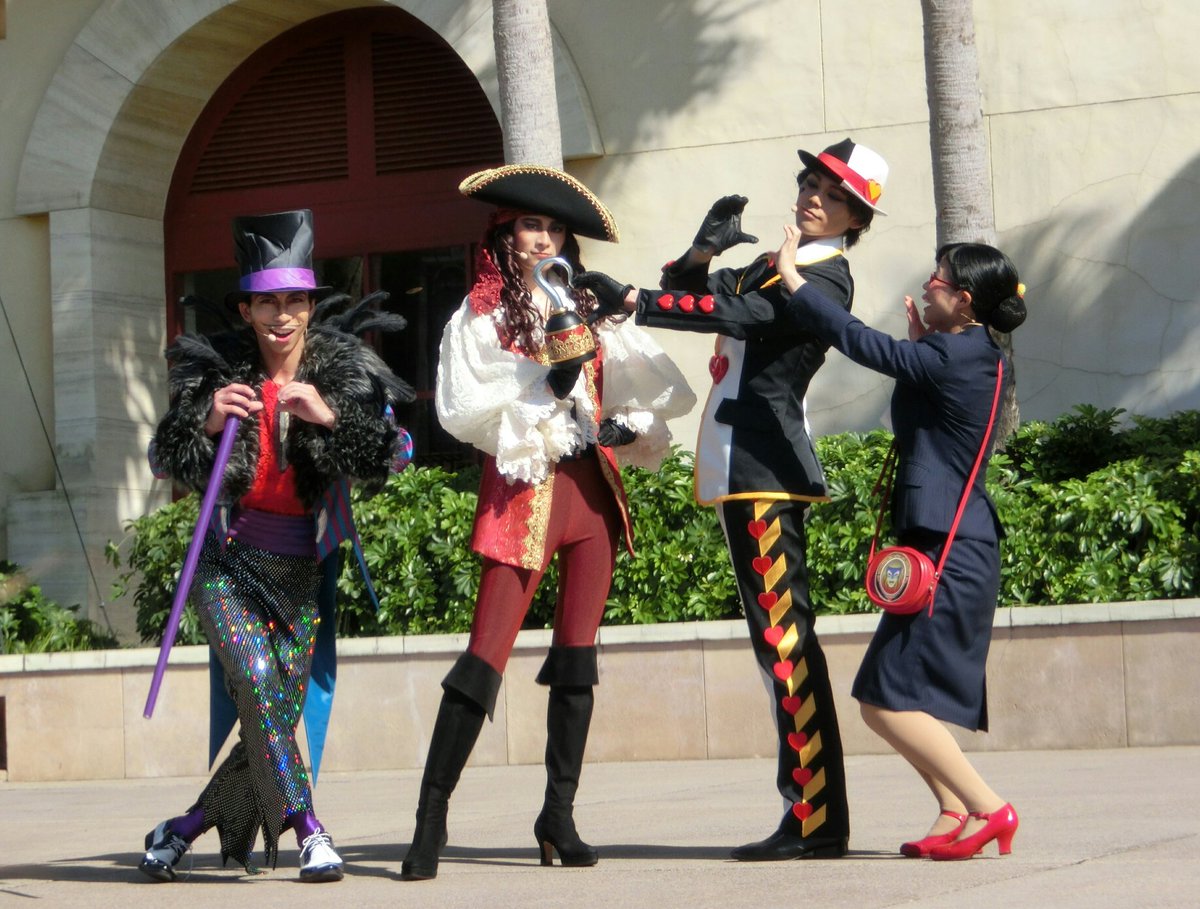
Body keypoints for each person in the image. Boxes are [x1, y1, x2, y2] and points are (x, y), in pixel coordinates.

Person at [575, 139, 888, 861]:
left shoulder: (824, 279)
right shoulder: (778, 264)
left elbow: (739, 315)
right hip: (742, 469)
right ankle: (812, 816)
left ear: (856, 219)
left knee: (785, 644)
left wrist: (635, 299)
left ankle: (815, 819)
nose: (813, 197)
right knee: (776, 644)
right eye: (810, 183)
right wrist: (699, 253)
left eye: (832, 195)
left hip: (766, 473)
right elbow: (705, 295)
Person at [400, 164, 695, 881]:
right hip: (524, 492)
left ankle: (557, 816)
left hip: (591, 495)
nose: (542, 238)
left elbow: (639, 387)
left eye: (555, 228)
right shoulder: (482, 316)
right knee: (484, 656)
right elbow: (465, 408)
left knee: (577, 659)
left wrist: (623, 423)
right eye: (531, 224)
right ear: (504, 233)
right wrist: (547, 382)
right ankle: (430, 817)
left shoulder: (589, 306)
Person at [138, 209, 414, 883]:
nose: (281, 316)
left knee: (272, 717)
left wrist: (331, 416)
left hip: (300, 574)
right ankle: (310, 829)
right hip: (226, 566)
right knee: (260, 682)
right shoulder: (216, 375)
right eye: (267, 302)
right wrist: (206, 422)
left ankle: (180, 830)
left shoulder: (342, 374)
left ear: (311, 307)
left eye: (294, 301)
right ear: (246, 308)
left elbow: (398, 452)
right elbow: (161, 457)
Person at [775, 233, 1026, 861]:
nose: (927, 283)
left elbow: (860, 341)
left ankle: (990, 808)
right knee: (889, 694)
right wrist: (920, 346)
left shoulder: (953, 355)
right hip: (949, 544)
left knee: (885, 702)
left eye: (939, 278)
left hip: (950, 552)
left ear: (965, 300)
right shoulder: (970, 353)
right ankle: (952, 809)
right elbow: (929, 407)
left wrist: (796, 283)